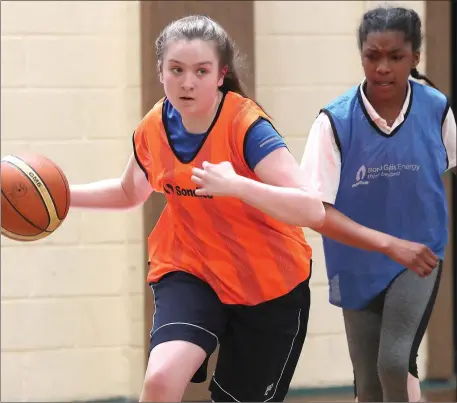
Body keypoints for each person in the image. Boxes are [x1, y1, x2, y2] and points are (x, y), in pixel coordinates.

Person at [190, 6, 456, 403]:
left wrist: (402, 246)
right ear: (361, 54)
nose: (383, 67)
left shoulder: (437, 110)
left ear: (415, 57)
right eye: (372, 56)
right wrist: (385, 243)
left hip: (418, 255)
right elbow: (317, 211)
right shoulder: (334, 121)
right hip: (356, 261)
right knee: (367, 384)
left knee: (394, 362)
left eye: (395, 57)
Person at [70, 15, 325, 403]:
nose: (187, 82)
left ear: (220, 75)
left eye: (200, 71)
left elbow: (312, 209)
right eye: (176, 70)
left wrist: (236, 185)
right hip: (192, 268)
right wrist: (61, 196)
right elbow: (128, 193)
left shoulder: (247, 127)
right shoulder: (152, 127)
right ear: (161, 72)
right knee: (160, 378)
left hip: (268, 283)